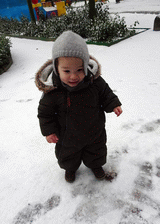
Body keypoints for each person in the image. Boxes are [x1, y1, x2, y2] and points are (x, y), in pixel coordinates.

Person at [35, 31, 122, 183]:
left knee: (96, 151)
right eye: (67, 71)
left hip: (94, 131)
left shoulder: (95, 82)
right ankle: (70, 169)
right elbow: (45, 114)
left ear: (86, 66)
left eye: (79, 70)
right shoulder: (53, 91)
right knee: (68, 155)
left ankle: (96, 166)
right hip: (67, 136)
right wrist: (49, 131)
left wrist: (113, 104)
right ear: (56, 68)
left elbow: (105, 93)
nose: (74, 76)